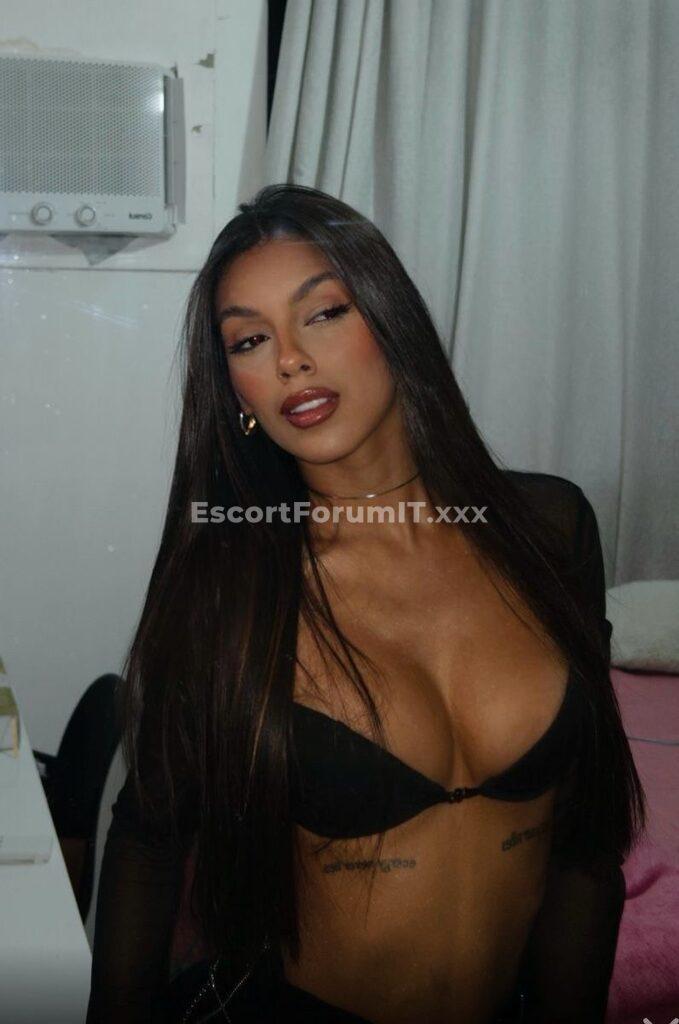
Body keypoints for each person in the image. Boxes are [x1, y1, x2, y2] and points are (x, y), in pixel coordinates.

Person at [86, 184, 646, 1024]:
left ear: (390, 322)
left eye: (323, 314)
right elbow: (148, 841)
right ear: (236, 393)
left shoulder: (549, 528)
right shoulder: (230, 581)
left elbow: (584, 847)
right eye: (249, 339)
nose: (290, 360)